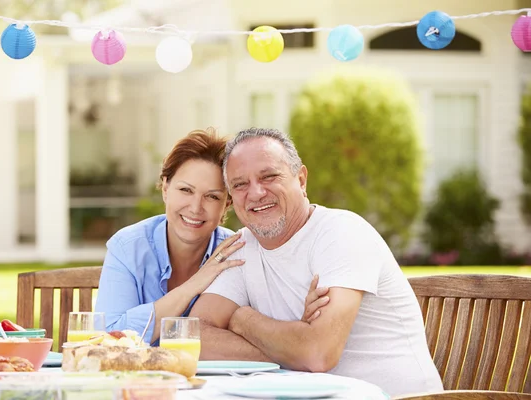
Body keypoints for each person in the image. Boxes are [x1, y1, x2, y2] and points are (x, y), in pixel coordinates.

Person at [189, 127, 444, 397]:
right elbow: (192, 338)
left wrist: (242, 319)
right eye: (240, 184)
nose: (256, 192)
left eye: (270, 176)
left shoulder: (340, 233)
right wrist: (292, 345)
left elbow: (317, 354)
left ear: (301, 180)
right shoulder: (243, 246)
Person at [95, 128, 324, 345]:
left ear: (227, 204)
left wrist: (299, 323)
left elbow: (259, 330)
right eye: (186, 190)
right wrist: (194, 285)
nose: (195, 208)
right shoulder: (128, 247)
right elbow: (108, 337)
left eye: (212, 197)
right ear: (165, 188)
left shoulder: (235, 251)